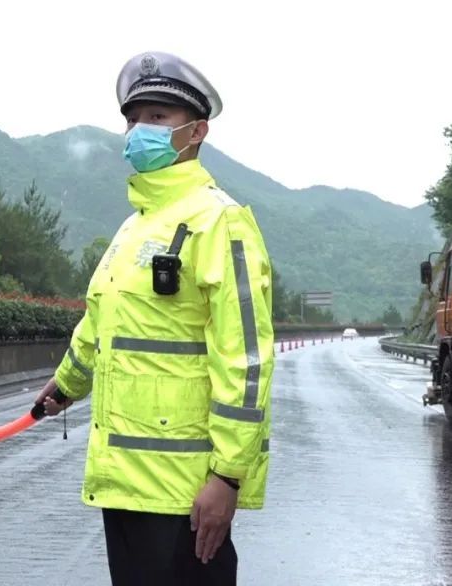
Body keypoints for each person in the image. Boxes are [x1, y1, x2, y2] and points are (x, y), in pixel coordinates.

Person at [35, 51, 275, 586]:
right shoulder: (133, 229)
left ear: (196, 131)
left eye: (159, 117)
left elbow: (246, 359)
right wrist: (67, 384)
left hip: (188, 490)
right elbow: (101, 325)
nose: (140, 130)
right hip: (124, 480)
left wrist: (227, 478)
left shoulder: (220, 220)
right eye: (133, 118)